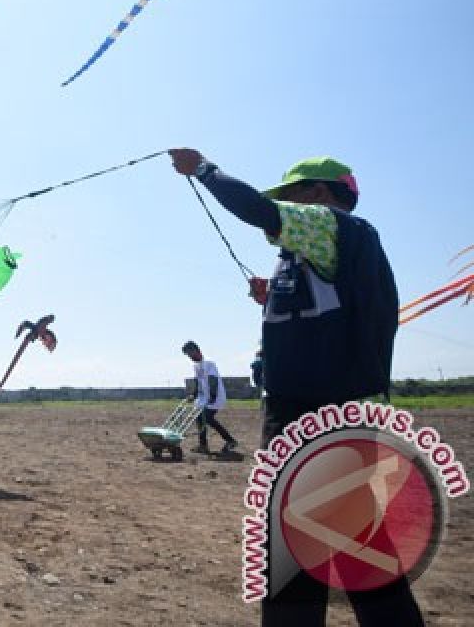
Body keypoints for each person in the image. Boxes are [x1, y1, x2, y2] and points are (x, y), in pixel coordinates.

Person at [170, 149, 422, 627]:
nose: (282, 213)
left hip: (323, 417)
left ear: (319, 195)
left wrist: (204, 170)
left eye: (290, 199)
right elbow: (324, 321)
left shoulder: (337, 226)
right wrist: (274, 297)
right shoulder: (320, 256)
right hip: (318, 418)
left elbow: (255, 210)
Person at [181, 340, 238, 453]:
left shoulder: (209, 364)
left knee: (206, 418)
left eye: (190, 353)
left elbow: (213, 380)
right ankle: (203, 446)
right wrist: (194, 394)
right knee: (199, 418)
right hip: (204, 398)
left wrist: (212, 396)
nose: (190, 357)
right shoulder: (196, 366)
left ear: (197, 351)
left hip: (216, 397)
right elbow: (197, 382)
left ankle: (230, 441)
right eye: (188, 355)